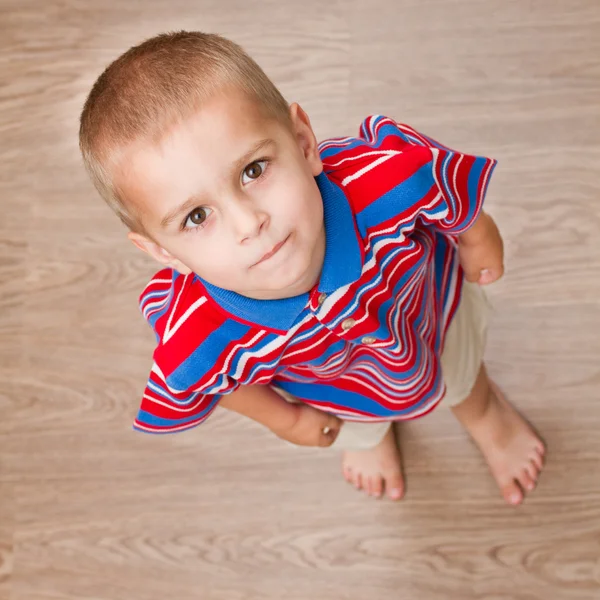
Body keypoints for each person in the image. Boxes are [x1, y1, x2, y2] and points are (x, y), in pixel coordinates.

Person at [79, 31, 545, 505]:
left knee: (462, 376)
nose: (249, 223)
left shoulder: (380, 179)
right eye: (196, 217)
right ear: (164, 253)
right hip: (340, 392)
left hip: (432, 317)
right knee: (359, 426)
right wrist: (288, 420)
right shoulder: (197, 332)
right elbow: (213, 382)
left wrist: (479, 237)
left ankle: (485, 415)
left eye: (253, 170)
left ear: (303, 143)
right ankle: (375, 436)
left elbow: (438, 182)